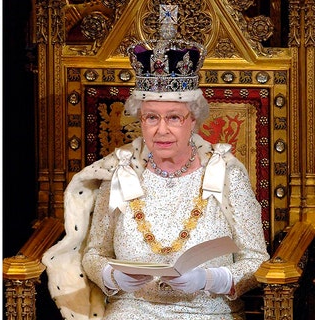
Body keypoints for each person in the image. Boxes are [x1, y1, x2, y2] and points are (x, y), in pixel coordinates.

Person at [42, 5, 269, 320]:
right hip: (132, 309)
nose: (162, 130)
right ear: (141, 120)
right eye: (151, 117)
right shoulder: (121, 173)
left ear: (193, 119)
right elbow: (95, 254)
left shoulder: (225, 172)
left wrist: (210, 279)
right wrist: (110, 276)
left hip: (205, 311)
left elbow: (256, 260)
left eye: (174, 117)